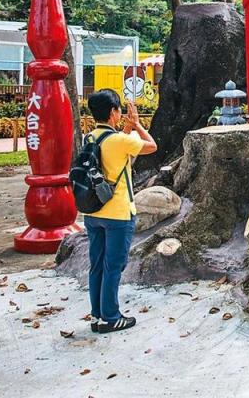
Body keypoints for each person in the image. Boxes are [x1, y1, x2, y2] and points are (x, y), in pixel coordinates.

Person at [84, 89, 157, 334]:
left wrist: (125, 129)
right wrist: (136, 124)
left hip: (93, 212)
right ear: (114, 112)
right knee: (113, 266)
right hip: (117, 213)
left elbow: (117, 147)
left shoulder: (91, 138)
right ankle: (111, 317)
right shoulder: (119, 140)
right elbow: (152, 146)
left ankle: (97, 315)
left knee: (97, 265)